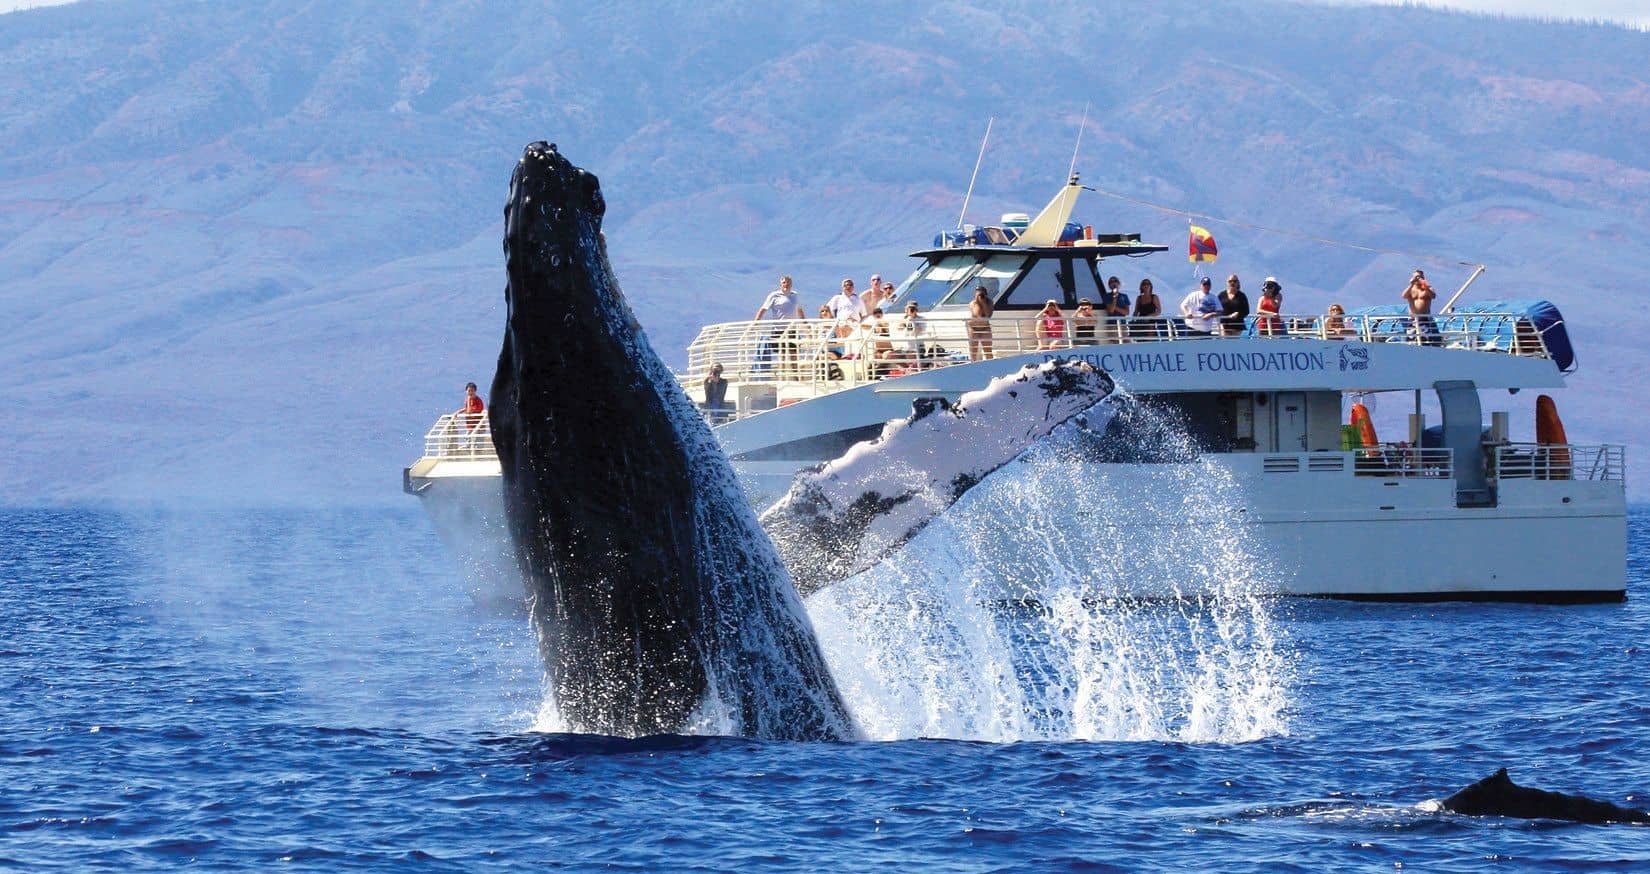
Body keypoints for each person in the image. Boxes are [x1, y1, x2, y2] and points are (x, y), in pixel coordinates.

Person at [753, 274, 805, 376]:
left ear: (791, 284)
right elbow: (763, 308)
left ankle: (796, 376)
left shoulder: (795, 295)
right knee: (782, 354)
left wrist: (804, 322)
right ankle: (782, 375)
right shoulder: (774, 295)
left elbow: (799, 310)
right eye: (784, 282)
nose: (786, 284)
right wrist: (756, 321)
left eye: (788, 282)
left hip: (792, 329)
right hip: (779, 329)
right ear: (781, 284)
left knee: (794, 353)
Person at [1403, 269, 1439, 346]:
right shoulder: (1411, 289)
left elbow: (1433, 296)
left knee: (1425, 341)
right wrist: (1411, 284)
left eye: (1420, 277)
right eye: (1416, 277)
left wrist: (1425, 286)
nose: (1418, 278)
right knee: (1411, 341)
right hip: (1412, 319)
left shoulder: (1428, 288)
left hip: (1424, 319)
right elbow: (1404, 296)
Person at [896, 301, 928, 367]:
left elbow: (920, 330)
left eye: (912, 309)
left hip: (918, 347)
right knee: (891, 356)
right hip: (907, 347)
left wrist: (912, 319)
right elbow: (899, 328)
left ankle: (911, 368)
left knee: (912, 356)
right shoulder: (906, 318)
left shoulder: (921, 319)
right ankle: (907, 369)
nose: (910, 310)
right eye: (908, 309)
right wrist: (905, 320)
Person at [454, 382, 486, 449]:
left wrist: (468, 400)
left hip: (479, 428)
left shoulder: (478, 401)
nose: (470, 392)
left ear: (475, 391)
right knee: (468, 446)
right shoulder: (467, 400)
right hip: (470, 427)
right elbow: (466, 409)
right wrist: (459, 412)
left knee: (478, 448)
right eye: (469, 391)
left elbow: (469, 411)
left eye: (472, 391)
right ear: (466, 391)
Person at [968, 284, 995, 361]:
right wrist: (978, 301)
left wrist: (983, 303)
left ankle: (990, 365)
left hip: (985, 328)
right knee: (973, 351)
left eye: (981, 293)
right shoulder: (973, 303)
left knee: (988, 351)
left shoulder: (990, 302)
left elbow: (988, 315)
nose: (980, 295)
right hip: (973, 328)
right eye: (978, 293)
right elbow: (978, 315)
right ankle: (972, 367)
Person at [1102, 275, 1131, 340]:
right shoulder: (1107, 296)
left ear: (1119, 284)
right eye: (1111, 282)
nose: (1113, 283)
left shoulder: (1124, 296)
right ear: (1109, 285)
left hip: (1123, 324)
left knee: (1126, 343)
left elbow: (1127, 312)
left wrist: (1115, 307)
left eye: (1115, 281)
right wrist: (1114, 298)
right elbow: (1111, 310)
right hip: (1112, 324)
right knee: (1115, 343)